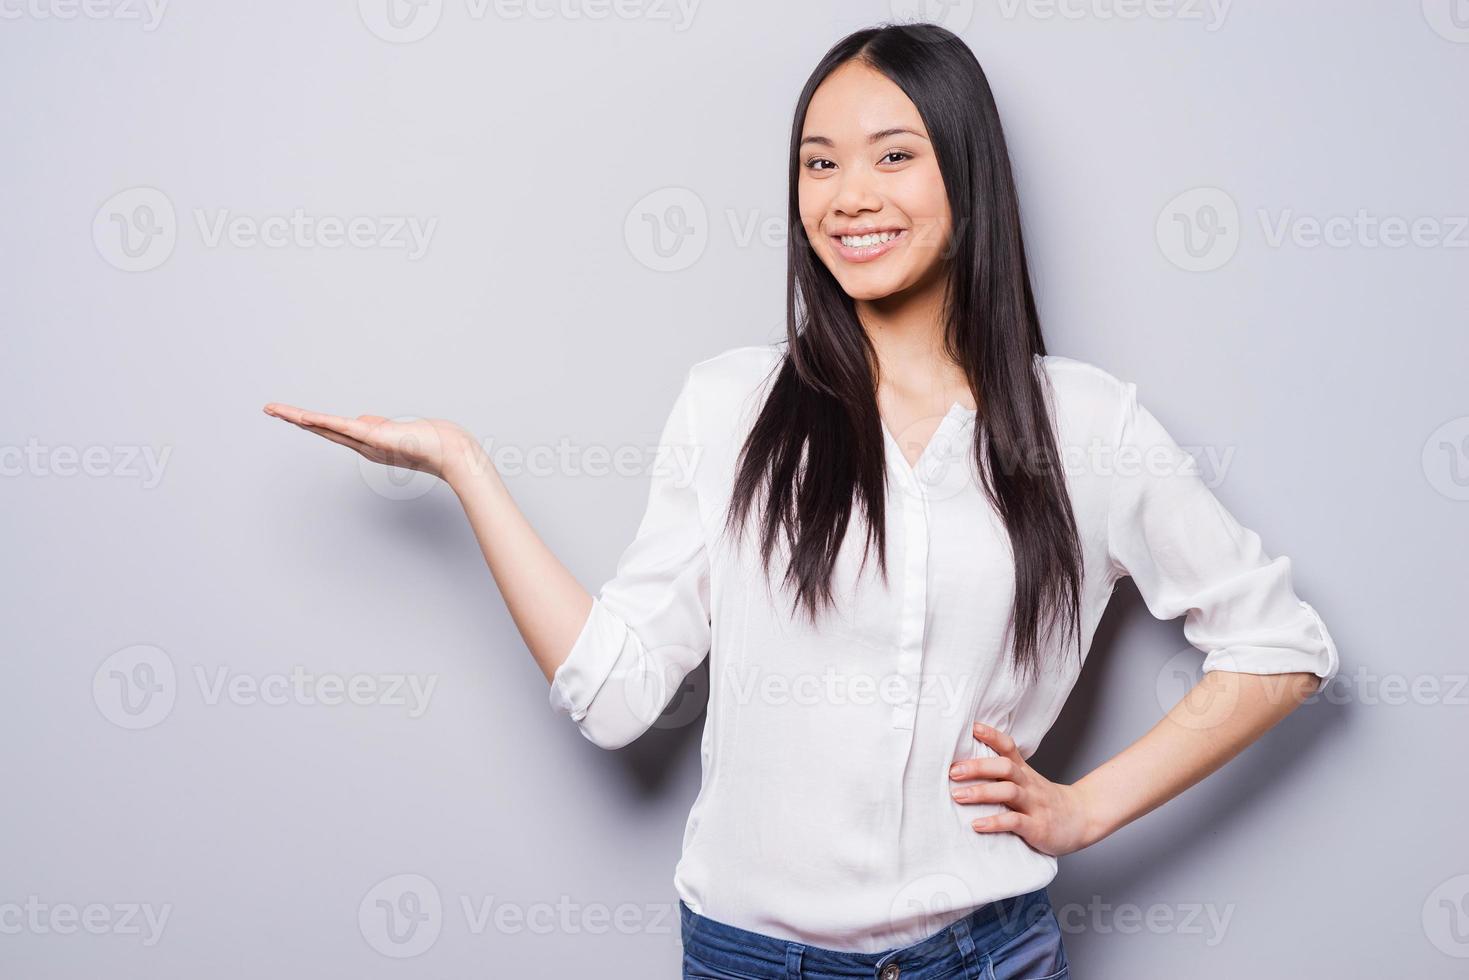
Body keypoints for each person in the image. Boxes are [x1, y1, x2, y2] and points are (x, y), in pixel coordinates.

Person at [262, 21, 1339, 980]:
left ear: (966, 177)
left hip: (986, 949)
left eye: (892, 156)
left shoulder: (1086, 427)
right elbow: (617, 695)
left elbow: (1277, 646)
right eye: (816, 163)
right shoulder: (731, 404)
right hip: (746, 958)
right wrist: (464, 467)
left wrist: (1083, 806)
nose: (846, 194)